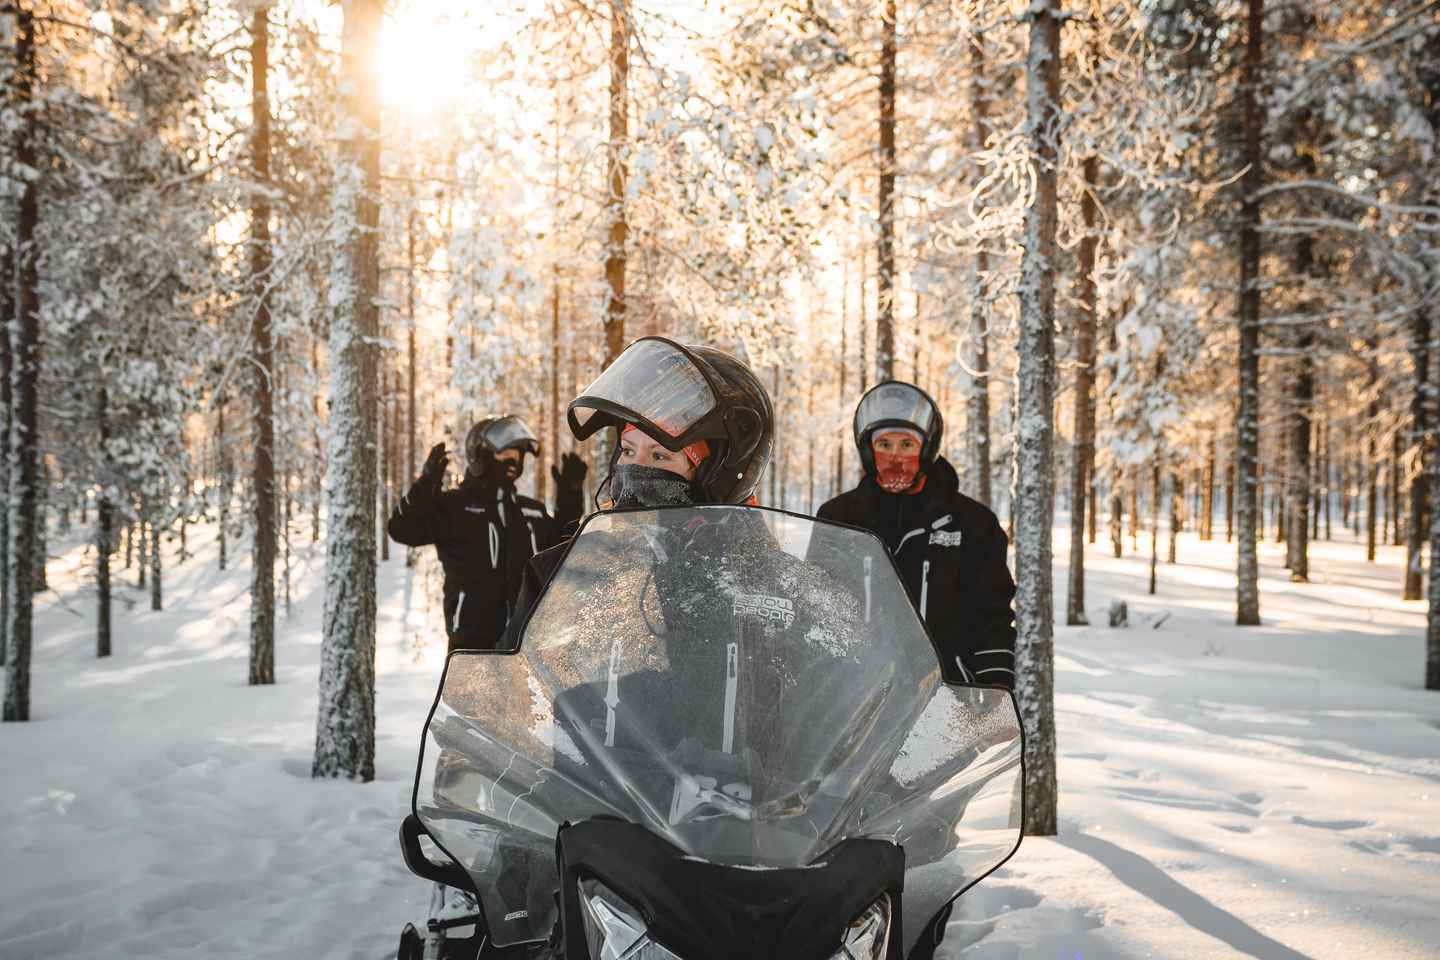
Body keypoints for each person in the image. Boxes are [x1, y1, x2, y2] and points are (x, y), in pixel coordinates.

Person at [505, 337, 776, 635]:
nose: (635, 471)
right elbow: (512, 662)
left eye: (660, 456)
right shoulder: (563, 573)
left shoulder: (768, 586)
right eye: (628, 450)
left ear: (715, 476)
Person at [815, 380, 1017, 689]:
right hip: (856, 694)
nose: (895, 456)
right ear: (868, 450)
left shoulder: (973, 524)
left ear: (927, 449)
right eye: (884, 445)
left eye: (907, 445)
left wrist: (993, 687)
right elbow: (818, 603)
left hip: (948, 693)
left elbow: (992, 614)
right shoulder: (838, 518)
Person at [388, 414, 587, 653]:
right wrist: (426, 483)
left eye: (518, 455)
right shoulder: (455, 507)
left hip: (527, 647)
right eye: (505, 454)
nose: (513, 461)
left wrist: (570, 499)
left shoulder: (531, 511)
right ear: (480, 454)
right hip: (471, 651)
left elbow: (563, 551)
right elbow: (402, 529)